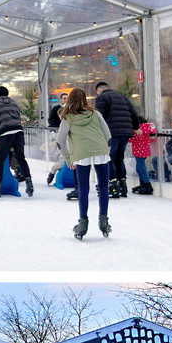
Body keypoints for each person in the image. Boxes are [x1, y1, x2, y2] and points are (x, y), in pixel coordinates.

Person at [57, 88, 112, 239]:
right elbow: (108, 135)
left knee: (83, 188)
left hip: (81, 154)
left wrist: (68, 159)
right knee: (103, 187)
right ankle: (104, 221)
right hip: (101, 152)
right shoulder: (95, 113)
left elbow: (60, 141)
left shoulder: (67, 117)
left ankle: (82, 224)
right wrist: (104, 150)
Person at [94, 81, 141, 198]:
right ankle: (123, 185)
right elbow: (133, 113)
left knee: (109, 158)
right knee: (119, 159)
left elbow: (99, 116)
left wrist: (95, 131)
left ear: (99, 90)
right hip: (125, 132)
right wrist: (135, 127)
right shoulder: (122, 97)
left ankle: (113, 185)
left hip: (111, 133)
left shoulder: (102, 98)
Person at [0, 87, 33, 199]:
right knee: (21, 158)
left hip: (5, 132)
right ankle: (29, 184)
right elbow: (17, 118)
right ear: (7, 94)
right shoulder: (15, 104)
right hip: (18, 131)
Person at [130, 119, 157, 195]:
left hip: (138, 151)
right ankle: (143, 184)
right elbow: (153, 132)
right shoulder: (148, 129)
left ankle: (147, 184)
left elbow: (131, 139)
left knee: (141, 168)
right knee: (140, 168)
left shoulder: (137, 131)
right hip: (144, 150)